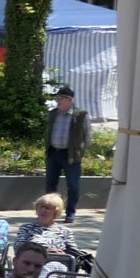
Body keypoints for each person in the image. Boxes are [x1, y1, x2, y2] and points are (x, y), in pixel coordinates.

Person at [45, 86, 91, 223]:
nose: (57, 101)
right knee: (51, 184)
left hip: (70, 155)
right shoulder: (53, 113)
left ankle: (70, 213)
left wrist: (79, 153)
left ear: (69, 100)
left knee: (73, 185)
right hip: (53, 153)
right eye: (57, 98)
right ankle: (49, 211)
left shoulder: (80, 115)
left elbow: (87, 136)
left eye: (60, 99)